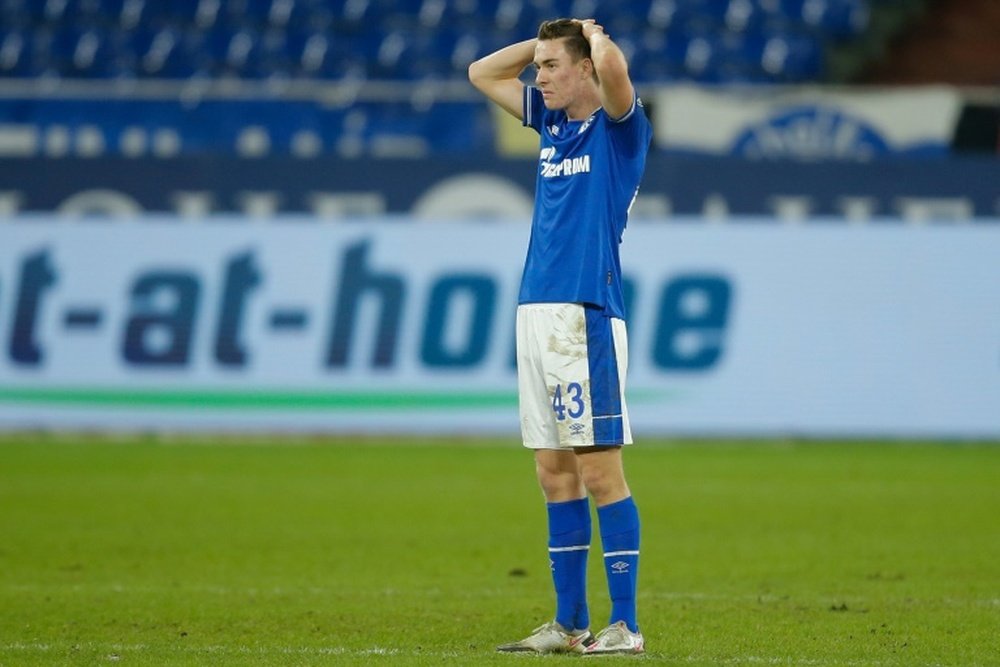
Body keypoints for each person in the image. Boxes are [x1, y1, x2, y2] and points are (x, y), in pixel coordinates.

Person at [468, 17, 652, 656]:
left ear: (585, 71)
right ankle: (570, 624)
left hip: (585, 315)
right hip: (535, 313)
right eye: (539, 66)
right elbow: (481, 72)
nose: (537, 76)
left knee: (600, 472)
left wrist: (592, 40)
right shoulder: (551, 125)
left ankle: (624, 624)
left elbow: (620, 80)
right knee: (553, 473)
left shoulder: (618, 131)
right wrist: (550, 40)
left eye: (550, 67)